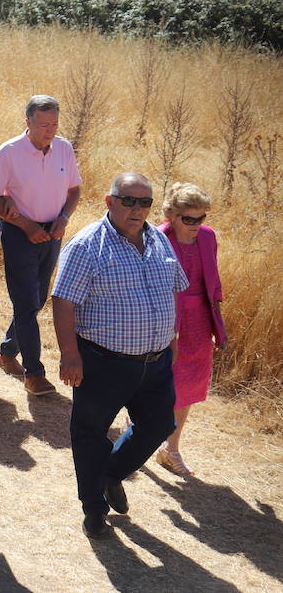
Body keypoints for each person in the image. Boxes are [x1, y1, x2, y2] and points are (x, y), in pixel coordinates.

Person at [51, 173, 186, 539]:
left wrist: (172, 337)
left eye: (145, 202)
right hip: (102, 362)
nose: (137, 209)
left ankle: (110, 474)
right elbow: (63, 301)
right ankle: (94, 509)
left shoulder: (158, 240)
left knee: (159, 425)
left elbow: (175, 289)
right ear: (110, 202)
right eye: (129, 200)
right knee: (90, 433)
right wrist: (69, 354)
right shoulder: (86, 245)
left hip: (155, 362)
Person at [0, 95, 83, 396]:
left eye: (54, 124)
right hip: (19, 234)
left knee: (38, 299)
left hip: (53, 233)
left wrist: (64, 217)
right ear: (27, 122)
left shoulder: (64, 149)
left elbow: (75, 190)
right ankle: (34, 373)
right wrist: (25, 225)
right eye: (43, 125)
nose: (49, 130)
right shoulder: (9, 152)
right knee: (26, 303)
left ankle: (6, 350)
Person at [157, 181, 224, 477]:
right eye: (189, 219)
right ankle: (136, 430)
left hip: (199, 321)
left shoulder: (208, 237)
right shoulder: (158, 237)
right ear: (171, 215)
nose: (196, 225)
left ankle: (171, 449)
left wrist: (218, 324)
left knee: (190, 384)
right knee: (154, 380)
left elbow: (213, 281)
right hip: (165, 317)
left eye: (201, 218)